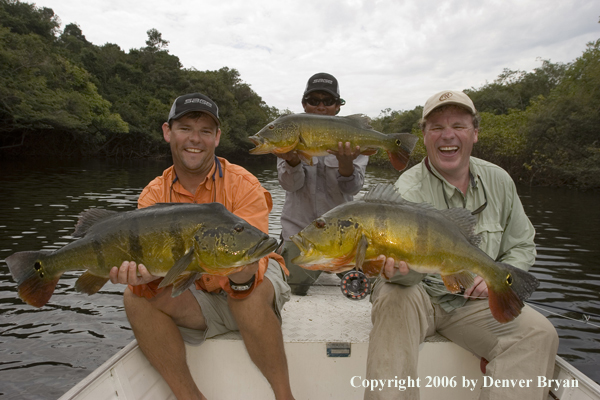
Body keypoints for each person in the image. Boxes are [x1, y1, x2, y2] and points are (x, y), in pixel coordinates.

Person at [365, 90, 559, 399]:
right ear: (425, 136)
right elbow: (404, 276)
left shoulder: (500, 181)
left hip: (475, 303)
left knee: (539, 332)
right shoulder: (407, 189)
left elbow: (522, 245)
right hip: (421, 296)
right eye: (437, 127)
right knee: (392, 295)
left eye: (459, 125)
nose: (448, 135)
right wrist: (396, 270)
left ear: (475, 133)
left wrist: (496, 274)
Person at [108, 93, 294, 400]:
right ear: (168, 132)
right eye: (185, 128)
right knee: (135, 297)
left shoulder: (243, 184)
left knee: (247, 289)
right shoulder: (153, 195)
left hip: (248, 287)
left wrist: (242, 274)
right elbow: (159, 269)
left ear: (217, 138)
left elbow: (254, 259)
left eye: (205, 131)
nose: (195, 139)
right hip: (197, 294)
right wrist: (142, 276)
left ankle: (285, 396)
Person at [277, 72, 369, 295]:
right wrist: (292, 159)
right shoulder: (288, 134)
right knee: (288, 288)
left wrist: (345, 164)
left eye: (328, 101)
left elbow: (352, 189)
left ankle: (338, 265)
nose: (320, 106)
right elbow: (290, 185)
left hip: (343, 236)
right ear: (304, 104)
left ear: (338, 106)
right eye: (314, 100)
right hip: (299, 234)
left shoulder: (351, 135)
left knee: (369, 285)